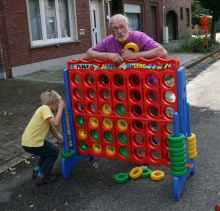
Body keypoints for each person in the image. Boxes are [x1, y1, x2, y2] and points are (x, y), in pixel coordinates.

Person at [21, 89, 65, 185]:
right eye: (59, 104)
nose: (59, 106)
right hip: (33, 143)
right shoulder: (45, 108)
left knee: (48, 149)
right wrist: (61, 109)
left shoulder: (47, 115)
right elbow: (57, 123)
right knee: (53, 152)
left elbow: (56, 134)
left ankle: (37, 170)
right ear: (54, 102)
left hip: (30, 142)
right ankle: (43, 176)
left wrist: (67, 143)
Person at [85, 14, 168, 63]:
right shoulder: (108, 41)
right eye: (115, 28)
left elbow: (163, 52)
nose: (119, 31)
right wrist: (109, 55)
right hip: (127, 84)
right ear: (111, 31)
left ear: (128, 26)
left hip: (149, 81)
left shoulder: (139, 36)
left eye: (122, 27)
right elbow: (89, 54)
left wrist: (135, 55)